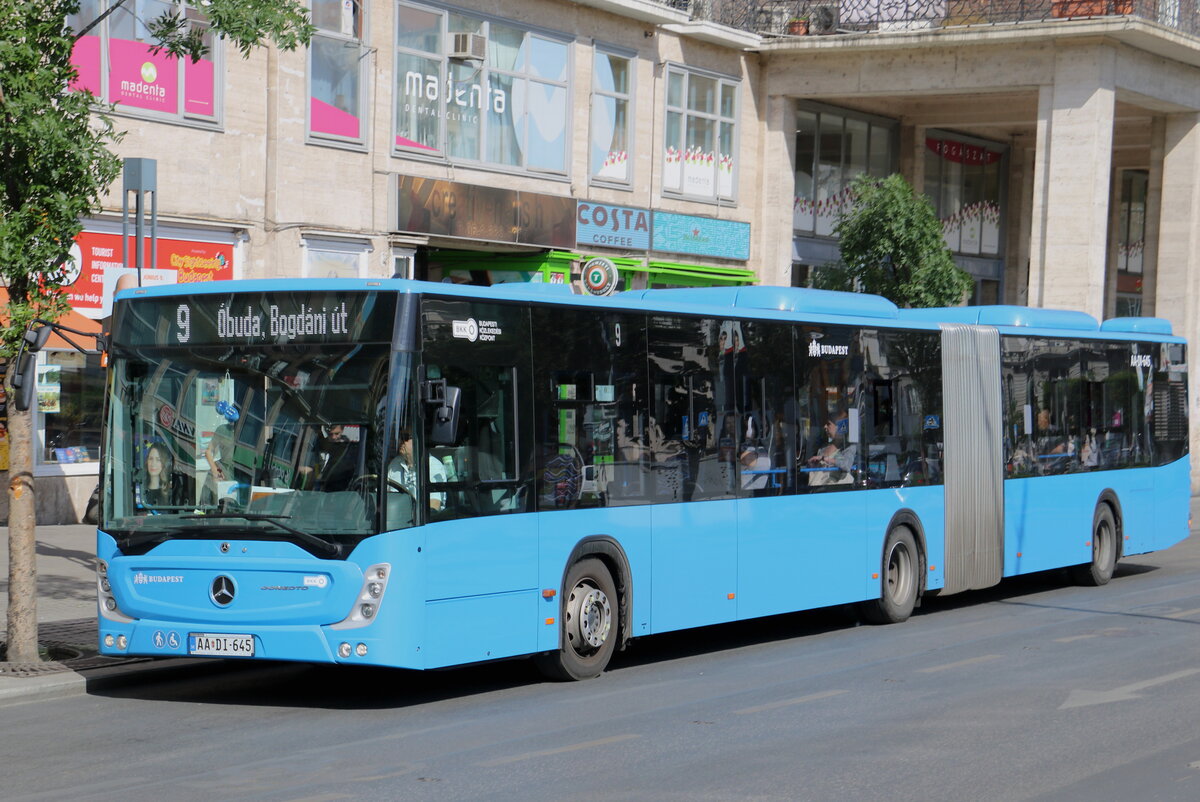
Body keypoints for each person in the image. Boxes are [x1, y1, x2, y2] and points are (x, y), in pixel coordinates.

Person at [387, 429, 447, 511]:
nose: (401, 441)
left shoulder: (432, 465)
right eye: (400, 437)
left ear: (418, 440)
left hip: (419, 520)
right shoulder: (394, 464)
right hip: (394, 517)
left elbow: (434, 505)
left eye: (405, 437)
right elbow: (382, 494)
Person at [137, 442, 172, 510]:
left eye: (158, 459)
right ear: (147, 461)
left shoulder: (169, 493)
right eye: (151, 459)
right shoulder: (140, 491)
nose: (153, 464)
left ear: (163, 463)